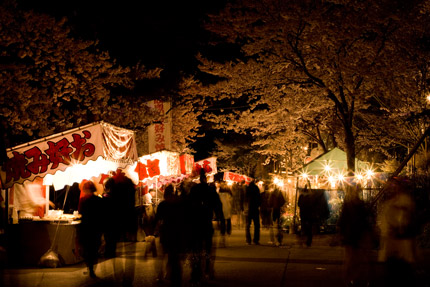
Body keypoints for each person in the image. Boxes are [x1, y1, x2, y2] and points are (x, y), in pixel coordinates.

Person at [377, 178, 419, 287]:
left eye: (394, 186)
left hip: (400, 244)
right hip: (394, 244)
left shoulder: (403, 201)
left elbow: (404, 221)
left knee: (400, 273)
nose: (391, 188)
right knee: (395, 273)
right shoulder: (393, 202)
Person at [188, 169, 225, 286]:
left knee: (195, 249)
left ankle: (195, 272)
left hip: (194, 223)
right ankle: (208, 269)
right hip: (206, 223)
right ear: (205, 178)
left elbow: (187, 206)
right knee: (208, 248)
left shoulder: (194, 190)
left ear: (199, 178)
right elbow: (218, 206)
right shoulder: (211, 190)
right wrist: (221, 221)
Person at [338, 184, 374, 286]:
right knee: (355, 259)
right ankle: (354, 279)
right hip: (355, 234)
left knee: (352, 259)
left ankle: (350, 279)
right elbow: (365, 220)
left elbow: (343, 220)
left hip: (353, 234)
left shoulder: (351, 204)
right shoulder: (360, 204)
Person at [153, 184, 185, 287]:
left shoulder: (163, 205)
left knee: (169, 255)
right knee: (174, 256)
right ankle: (174, 277)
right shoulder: (179, 204)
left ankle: (169, 275)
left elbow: (157, 219)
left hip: (167, 233)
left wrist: (154, 230)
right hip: (177, 233)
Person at [78, 180, 104, 278]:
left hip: (86, 227)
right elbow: (102, 215)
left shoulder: (84, 200)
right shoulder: (99, 200)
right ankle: (92, 269)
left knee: (87, 249)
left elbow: (81, 213)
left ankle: (90, 267)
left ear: (86, 189)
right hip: (96, 227)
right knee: (94, 249)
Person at [242, 180, 261, 245]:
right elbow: (259, 198)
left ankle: (248, 240)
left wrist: (244, 207)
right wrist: (258, 205)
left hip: (249, 209)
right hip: (255, 209)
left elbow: (244, 199)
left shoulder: (247, 189)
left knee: (247, 225)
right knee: (257, 225)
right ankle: (256, 240)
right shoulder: (256, 188)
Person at [218, 181, 233, 247]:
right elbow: (231, 202)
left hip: (221, 211)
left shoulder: (219, 195)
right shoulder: (228, 195)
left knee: (222, 223)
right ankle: (228, 231)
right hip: (227, 210)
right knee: (228, 221)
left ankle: (222, 234)